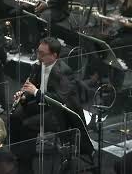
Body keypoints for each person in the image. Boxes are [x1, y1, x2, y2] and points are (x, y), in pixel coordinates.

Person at [10, 37, 85, 173]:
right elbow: (31, 86)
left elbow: (60, 99)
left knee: (28, 124)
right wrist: (23, 97)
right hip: (42, 103)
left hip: (59, 112)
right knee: (15, 116)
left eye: (42, 54)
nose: (39, 56)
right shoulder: (39, 66)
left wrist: (36, 92)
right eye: (38, 52)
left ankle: (27, 163)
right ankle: (16, 152)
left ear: (54, 55)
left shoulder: (64, 71)